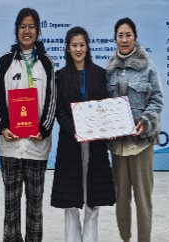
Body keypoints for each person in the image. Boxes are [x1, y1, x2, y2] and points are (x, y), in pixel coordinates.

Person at [0, 7, 56, 242]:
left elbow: (52, 100)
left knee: (35, 206)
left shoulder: (46, 63)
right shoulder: (5, 61)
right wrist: (2, 127)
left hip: (36, 145)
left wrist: (44, 129)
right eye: (22, 27)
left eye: (31, 27)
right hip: (10, 144)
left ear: (37, 31)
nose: (27, 31)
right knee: (10, 205)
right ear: (16, 30)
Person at [51, 26, 115, 242]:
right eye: (74, 45)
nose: (78, 49)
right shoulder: (60, 76)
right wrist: (74, 130)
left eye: (82, 45)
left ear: (87, 47)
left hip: (95, 144)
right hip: (70, 143)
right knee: (71, 200)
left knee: (93, 198)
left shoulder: (100, 74)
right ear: (68, 49)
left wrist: (107, 128)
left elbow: (106, 107)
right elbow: (59, 109)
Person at [106, 18, 164, 242]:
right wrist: (106, 127)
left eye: (128, 35)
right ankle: (125, 239)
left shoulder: (148, 67)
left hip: (141, 144)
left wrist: (147, 121)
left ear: (135, 38)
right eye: (120, 35)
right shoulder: (109, 70)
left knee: (143, 198)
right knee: (121, 198)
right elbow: (104, 105)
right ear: (115, 39)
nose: (124, 39)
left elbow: (157, 100)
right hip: (118, 147)